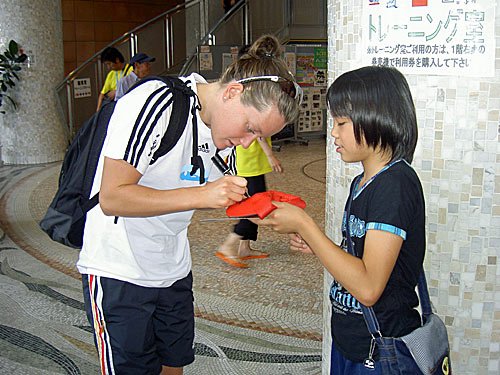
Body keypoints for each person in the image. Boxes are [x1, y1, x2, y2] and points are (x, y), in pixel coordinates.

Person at [77, 34, 301, 375]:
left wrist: (291, 223)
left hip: (173, 268)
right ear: (232, 92)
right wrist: (202, 195)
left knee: (174, 365)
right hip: (119, 270)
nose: (246, 143)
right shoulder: (156, 102)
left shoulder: (224, 133)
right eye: (249, 129)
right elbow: (112, 197)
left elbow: (231, 199)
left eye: (257, 138)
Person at [255, 66, 425, 374]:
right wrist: (320, 247)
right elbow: (362, 259)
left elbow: (369, 287)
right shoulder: (363, 183)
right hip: (353, 342)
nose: (333, 132)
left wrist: (306, 225)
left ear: (376, 118)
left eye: (341, 122)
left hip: (382, 349)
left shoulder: (395, 185)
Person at [215, 136, 282, 268]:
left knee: (255, 204)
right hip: (247, 165)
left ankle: (244, 248)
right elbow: (258, 132)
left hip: (253, 164)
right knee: (254, 208)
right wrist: (270, 155)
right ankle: (228, 244)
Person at [96, 47, 133, 111]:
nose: (108, 67)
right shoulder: (111, 74)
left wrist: (117, 92)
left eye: (109, 64)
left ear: (117, 60)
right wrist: (98, 112)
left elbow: (133, 89)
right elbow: (102, 93)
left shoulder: (130, 70)